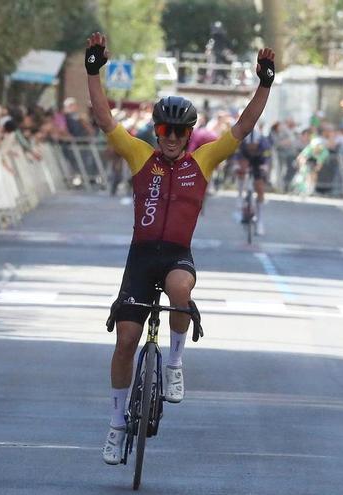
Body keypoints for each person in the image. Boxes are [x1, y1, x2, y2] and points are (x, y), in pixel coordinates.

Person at [85, 31, 275, 465]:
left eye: (180, 131)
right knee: (125, 342)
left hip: (175, 256)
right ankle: (116, 426)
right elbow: (103, 117)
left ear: (190, 134)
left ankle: (173, 365)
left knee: (181, 292)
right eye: (165, 130)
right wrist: (93, 71)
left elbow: (243, 126)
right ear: (156, 130)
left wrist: (263, 84)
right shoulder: (139, 156)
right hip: (140, 258)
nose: (171, 137)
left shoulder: (202, 161)